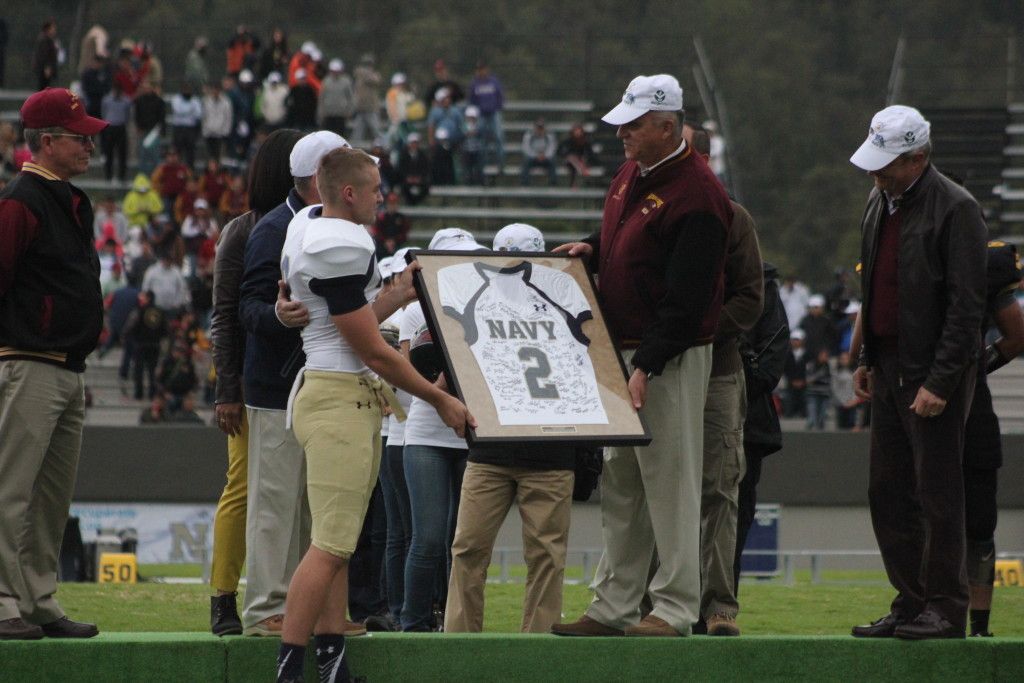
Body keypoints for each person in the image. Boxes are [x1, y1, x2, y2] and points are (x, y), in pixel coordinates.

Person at [275, 147, 474, 683]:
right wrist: (441, 399)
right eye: (374, 189)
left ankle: (332, 657)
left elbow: (350, 321)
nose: (381, 198)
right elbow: (374, 351)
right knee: (330, 545)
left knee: (336, 542)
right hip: (339, 394)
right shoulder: (338, 242)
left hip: (336, 387)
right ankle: (289, 668)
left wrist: (401, 292)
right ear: (347, 192)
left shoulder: (311, 226)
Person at [551, 74, 731, 638]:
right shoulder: (636, 171)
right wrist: (594, 247)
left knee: (670, 482)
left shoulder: (700, 196)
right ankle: (614, 605)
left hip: (667, 359)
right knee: (622, 480)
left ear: (667, 126)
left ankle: (675, 608)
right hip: (623, 348)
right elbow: (630, 236)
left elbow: (687, 299)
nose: (622, 133)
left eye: (633, 124)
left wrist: (646, 366)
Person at [848, 105, 987, 640]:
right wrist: (865, 358)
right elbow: (875, 290)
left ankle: (947, 608)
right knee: (887, 491)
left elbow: (966, 306)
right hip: (888, 365)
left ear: (919, 157)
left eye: (887, 163)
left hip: (930, 372)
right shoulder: (880, 201)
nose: (876, 172)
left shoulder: (957, 209)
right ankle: (910, 600)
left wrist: (941, 381)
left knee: (938, 494)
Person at [0, 89, 107, 640]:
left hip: (67, 366)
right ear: (46, 142)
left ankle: (38, 598)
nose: (89, 143)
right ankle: (2, 600)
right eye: (78, 136)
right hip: (27, 362)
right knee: (11, 488)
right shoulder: (21, 198)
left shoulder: (68, 198)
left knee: (50, 496)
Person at [237, 131, 351, 637]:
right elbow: (246, 307)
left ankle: (317, 615)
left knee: (313, 508)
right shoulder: (273, 229)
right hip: (276, 390)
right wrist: (279, 316)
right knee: (275, 505)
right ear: (316, 179)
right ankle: (265, 609)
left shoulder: (327, 225)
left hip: (315, 387)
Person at [444, 224, 577, 634]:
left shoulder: (562, 295)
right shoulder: (478, 298)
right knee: (468, 548)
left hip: (549, 448)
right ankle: (459, 644)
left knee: (546, 557)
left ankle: (537, 649)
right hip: (491, 449)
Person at [209, 128, 304, 636]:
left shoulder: (311, 226)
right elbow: (225, 314)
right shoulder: (244, 232)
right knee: (244, 487)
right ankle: (224, 597)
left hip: (295, 381)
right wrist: (229, 389)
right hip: (253, 382)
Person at [398, 228, 483, 633]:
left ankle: (455, 624)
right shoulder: (415, 312)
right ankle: (413, 623)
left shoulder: (485, 307)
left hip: (471, 434)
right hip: (426, 436)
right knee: (428, 539)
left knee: (462, 542)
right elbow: (408, 380)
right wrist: (448, 384)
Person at [962, 241, 1024, 637]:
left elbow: (1017, 335)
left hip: (957, 404)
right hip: (953, 402)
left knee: (977, 523)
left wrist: (975, 366)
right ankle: (964, 623)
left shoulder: (984, 261)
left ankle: (972, 625)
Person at [732, 262, 788, 590]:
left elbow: (769, 368)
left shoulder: (763, 287)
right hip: (746, 421)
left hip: (746, 422)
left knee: (733, 522)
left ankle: (717, 607)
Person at [468, 60, 505, 172]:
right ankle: (482, 167)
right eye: (479, 69)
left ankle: (501, 165)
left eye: (483, 69)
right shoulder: (474, 84)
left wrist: (497, 107)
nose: (481, 71)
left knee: (499, 138)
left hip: (494, 113)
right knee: (482, 141)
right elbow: (471, 100)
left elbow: (500, 96)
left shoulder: (494, 82)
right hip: (481, 115)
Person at [100, 82, 130, 182]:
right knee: (109, 152)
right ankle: (108, 175)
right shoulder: (107, 100)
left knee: (122, 153)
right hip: (110, 127)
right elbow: (103, 112)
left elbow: (127, 115)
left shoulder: (126, 101)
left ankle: (122, 175)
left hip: (121, 127)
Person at [170, 84, 204, 170]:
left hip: (190, 129)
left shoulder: (195, 100)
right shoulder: (176, 99)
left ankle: (190, 173)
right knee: (177, 152)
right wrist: (190, 110)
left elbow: (198, 114)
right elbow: (178, 111)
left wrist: (187, 111)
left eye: (188, 90)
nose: (187, 92)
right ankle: (177, 172)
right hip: (179, 129)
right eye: (185, 90)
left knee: (190, 153)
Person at [351, 54, 382, 143]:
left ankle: (384, 148)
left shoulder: (372, 75)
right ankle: (353, 150)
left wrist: (368, 73)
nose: (368, 66)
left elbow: (377, 81)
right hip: (361, 108)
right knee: (357, 133)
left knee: (376, 130)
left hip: (371, 108)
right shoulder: (360, 74)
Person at [320, 59, 355, 136]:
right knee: (328, 135)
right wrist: (321, 113)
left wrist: (349, 111)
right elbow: (321, 98)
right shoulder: (326, 81)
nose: (335, 73)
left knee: (340, 136)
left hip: (341, 114)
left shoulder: (346, 81)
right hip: (328, 114)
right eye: (333, 71)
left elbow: (351, 97)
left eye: (337, 71)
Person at [558, 123, 598, 188]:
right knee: (572, 160)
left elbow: (590, 153)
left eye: (579, 131)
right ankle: (578, 176)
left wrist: (584, 158)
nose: (577, 133)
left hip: (582, 161)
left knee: (579, 161)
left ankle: (584, 176)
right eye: (576, 131)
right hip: (570, 161)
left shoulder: (585, 142)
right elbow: (562, 152)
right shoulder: (568, 142)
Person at [203, 81, 234, 164]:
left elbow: (228, 118)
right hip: (209, 133)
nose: (215, 92)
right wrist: (205, 130)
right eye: (214, 90)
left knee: (219, 157)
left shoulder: (226, 102)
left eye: (217, 90)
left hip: (220, 134)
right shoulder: (207, 101)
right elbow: (204, 116)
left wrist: (226, 132)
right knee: (209, 157)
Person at [371, 191, 410, 257]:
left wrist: (394, 241)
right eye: (390, 203)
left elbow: (404, 233)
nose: (392, 206)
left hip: (398, 245)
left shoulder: (402, 218)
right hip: (382, 246)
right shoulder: (381, 217)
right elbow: (377, 231)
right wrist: (386, 242)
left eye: (394, 203)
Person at [519, 119, 557, 186]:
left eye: (541, 128)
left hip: (545, 158)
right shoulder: (528, 135)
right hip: (533, 158)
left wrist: (544, 155)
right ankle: (525, 183)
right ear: (535, 128)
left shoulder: (550, 136)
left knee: (552, 161)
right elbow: (526, 149)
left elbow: (552, 148)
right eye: (538, 128)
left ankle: (553, 183)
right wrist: (536, 155)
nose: (540, 130)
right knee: (525, 161)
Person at [32, 20, 60, 91]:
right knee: (43, 88)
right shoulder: (44, 40)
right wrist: (47, 67)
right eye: (53, 28)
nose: (54, 30)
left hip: (46, 69)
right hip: (44, 69)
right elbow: (44, 55)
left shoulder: (49, 40)